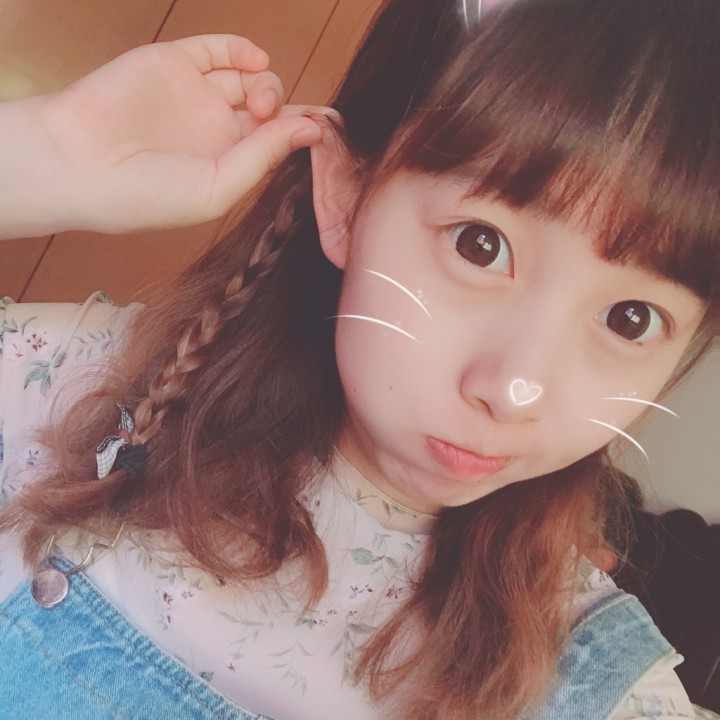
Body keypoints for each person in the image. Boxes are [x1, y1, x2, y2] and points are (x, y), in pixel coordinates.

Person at [0, 0, 718, 718]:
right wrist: (35, 162)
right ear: (346, 194)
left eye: (631, 319)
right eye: (479, 245)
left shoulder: (597, 686)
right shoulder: (71, 389)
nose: (514, 390)